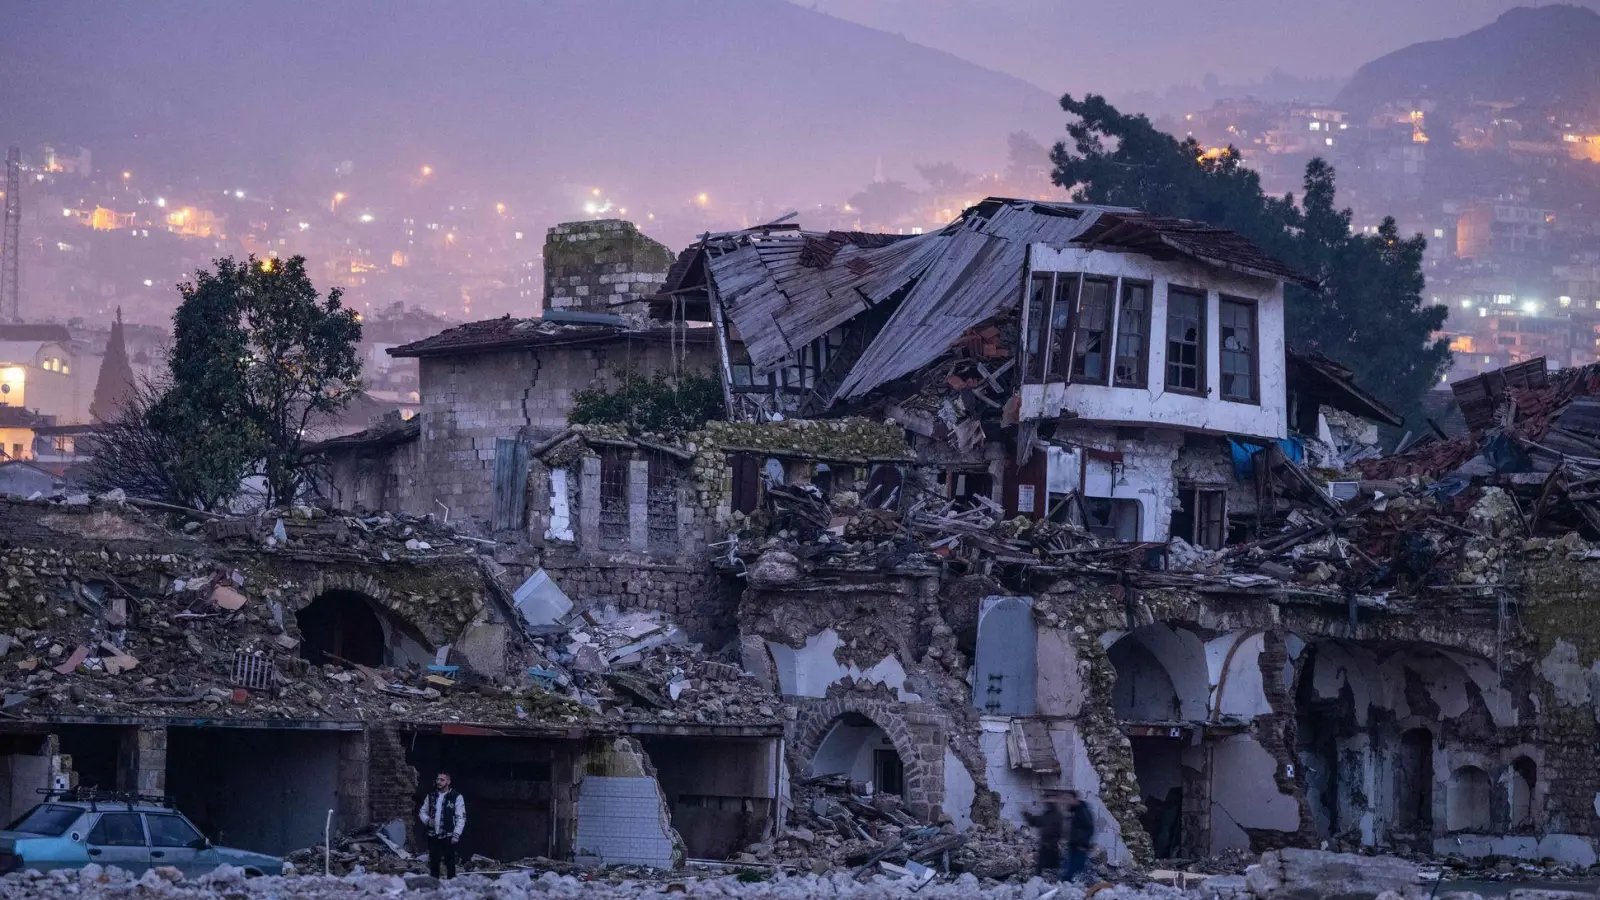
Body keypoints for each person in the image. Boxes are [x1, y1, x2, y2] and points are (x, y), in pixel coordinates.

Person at [418, 771, 466, 879]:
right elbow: (422, 812)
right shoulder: (430, 796)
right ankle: (434, 883)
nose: (438, 782)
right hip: (433, 834)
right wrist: (427, 820)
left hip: (448, 834)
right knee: (434, 860)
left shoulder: (456, 797)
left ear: (448, 782)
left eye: (442, 780)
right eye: (437, 779)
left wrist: (456, 834)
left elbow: (461, 817)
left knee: (450, 860)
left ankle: (452, 883)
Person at [1022, 800, 1063, 877]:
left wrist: (1026, 814)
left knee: (1043, 866)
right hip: (1051, 844)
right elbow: (1037, 821)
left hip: (1048, 844)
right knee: (1052, 866)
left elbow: (1036, 821)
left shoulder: (1051, 816)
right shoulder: (1056, 815)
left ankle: (1042, 879)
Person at [1062, 790, 1096, 883]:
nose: (1066, 801)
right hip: (1074, 844)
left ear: (1074, 799)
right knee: (1072, 867)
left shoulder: (1083, 811)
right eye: (1065, 799)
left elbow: (1089, 828)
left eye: (1068, 799)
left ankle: (1073, 887)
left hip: (1079, 845)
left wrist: (1082, 843)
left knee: (1076, 869)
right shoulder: (1075, 810)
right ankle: (1068, 886)